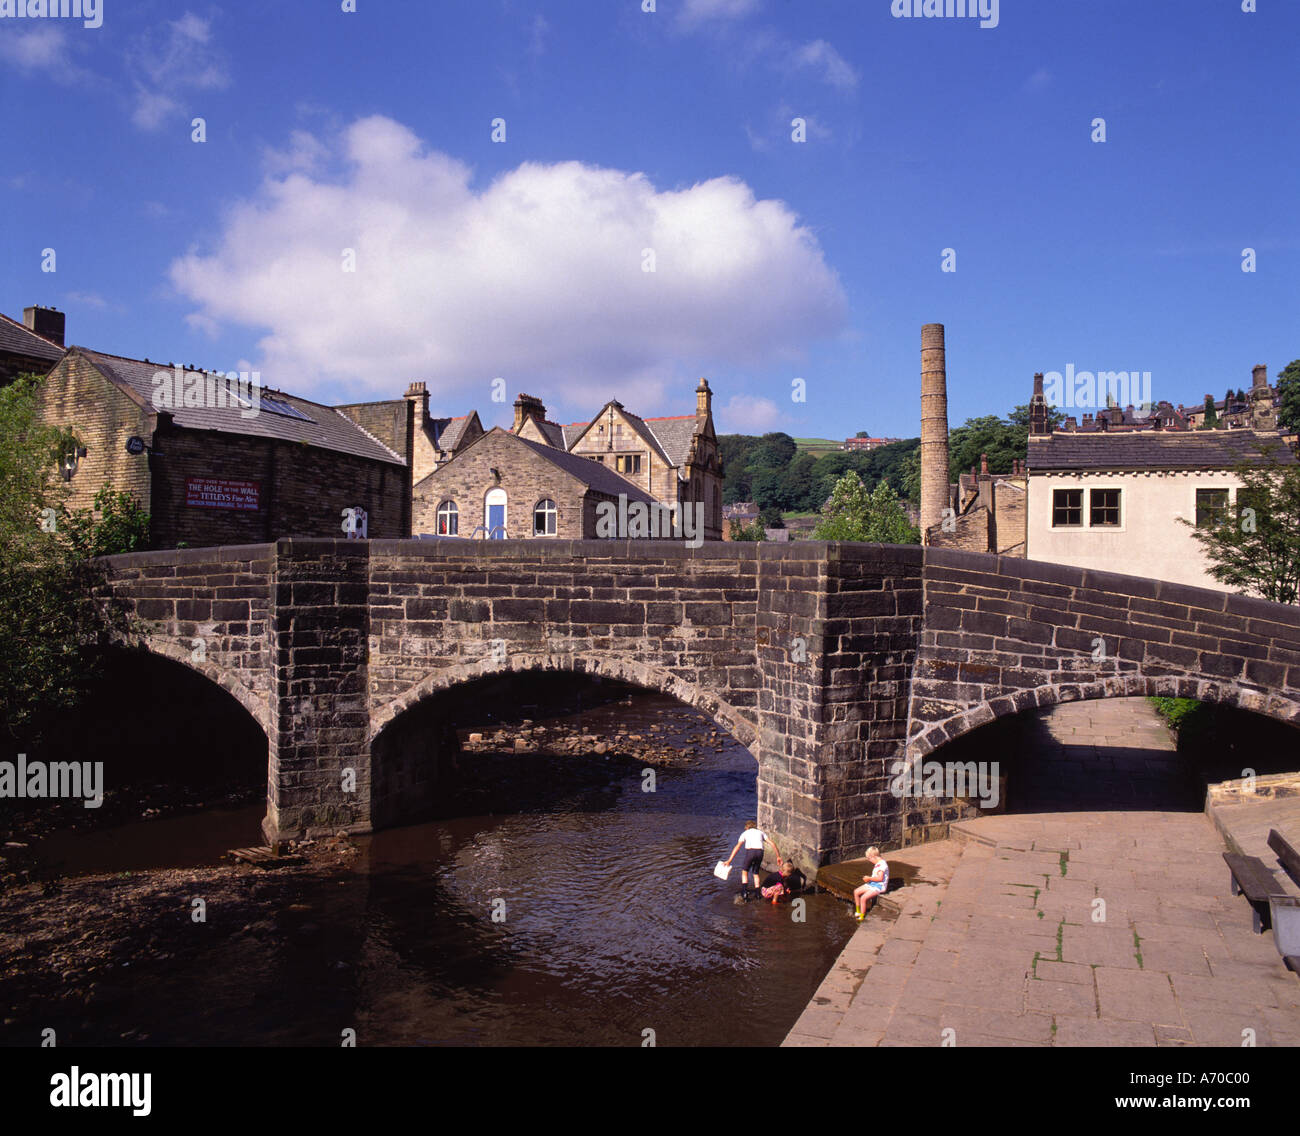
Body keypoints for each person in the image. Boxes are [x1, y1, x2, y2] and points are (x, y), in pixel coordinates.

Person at [724, 821, 780, 901]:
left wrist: (729, 860)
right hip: (760, 852)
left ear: (747, 827)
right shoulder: (761, 832)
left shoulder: (745, 833)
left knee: (745, 871)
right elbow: (772, 844)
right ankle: (757, 893)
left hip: (750, 852)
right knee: (755, 872)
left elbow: (737, 847)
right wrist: (778, 856)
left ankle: (744, 892)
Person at [853, 847, 889, 920]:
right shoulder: (878, 863)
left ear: (874, 857)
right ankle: (858, 911)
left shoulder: (882, 865)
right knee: (856, 892)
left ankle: (862, 916)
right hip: (873, 884)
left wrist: (869, 878)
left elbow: (880, 878)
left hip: (879, 886)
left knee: (863, 898)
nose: (869, 861)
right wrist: (869, 879)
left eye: (869, 859)